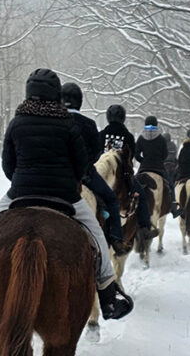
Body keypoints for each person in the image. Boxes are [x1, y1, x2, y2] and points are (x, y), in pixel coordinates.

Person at [0, 68, 133, 320]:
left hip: (20, 193)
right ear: (54, 94)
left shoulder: (16, 122)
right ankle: (107, 294)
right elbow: (83, 165)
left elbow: (8, 165)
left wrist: (23, 180)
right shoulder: (68, 124)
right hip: (65, 195)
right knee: (98, 238)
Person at [61, 81, 125, 254]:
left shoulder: (54, 120)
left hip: (57, 174)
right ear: (79, 101)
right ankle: (116, 239)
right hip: (85, 175)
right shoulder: (88, 123)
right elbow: (97, 153)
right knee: (111, 200)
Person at [98, 104, 157, 240]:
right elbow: (130, 158)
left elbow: (96, 154)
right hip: (123, 178)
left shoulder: (101, 134)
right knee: (141, 197)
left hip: (101, 175)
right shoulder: (128, 136)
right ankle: (144, 228)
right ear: (123, 118)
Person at [136, 115, 179, 216]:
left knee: (134, 184)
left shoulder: (141, 138)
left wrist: (143, 160)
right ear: (156, 125)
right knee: (171, 186)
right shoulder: (161, 139)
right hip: (158, 168)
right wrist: (159, 161)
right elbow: (165, 154)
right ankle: (173, 207)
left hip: (144, 167)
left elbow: (136, 154)